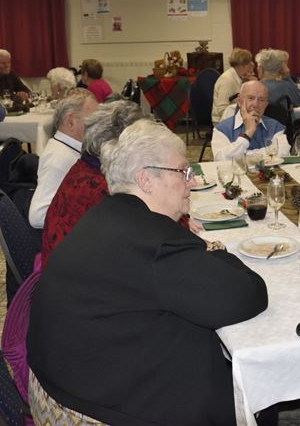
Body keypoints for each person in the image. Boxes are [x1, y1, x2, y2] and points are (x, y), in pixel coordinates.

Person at [27, 119, 268, 425]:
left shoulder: (106, 215)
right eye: (183, 172)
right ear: (145, 180)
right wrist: (219, 251)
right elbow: (248, 294)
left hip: (59, 389)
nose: (191, 182)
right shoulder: (154, 244)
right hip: (100, 411)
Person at [41, 100, 147, 267]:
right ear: (111, 148)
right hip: (74, 282)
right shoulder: (102, 187)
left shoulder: (86, 167)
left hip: (68, 270)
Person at [28, 89, 98, 228]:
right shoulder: (58, 159)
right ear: (70, 121)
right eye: (93, 120)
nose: (98, 126)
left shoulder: (70, 149)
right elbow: (38, 216)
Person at [212, 80, 289, 161]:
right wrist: (248, 132)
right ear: (239, 101)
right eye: (251, 98)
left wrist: (244, 156)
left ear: (266, 105)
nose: (255, 104)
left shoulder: (276, 127)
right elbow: (221, 159)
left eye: (261, 100)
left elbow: (283, 153)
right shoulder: (222, 129)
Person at [212, 47, 256, 124]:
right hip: (223, 121)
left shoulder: (239, 77)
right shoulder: (227, 80)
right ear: (243, 65)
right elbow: (222, 109)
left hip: (236, 116)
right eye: (249, 63)